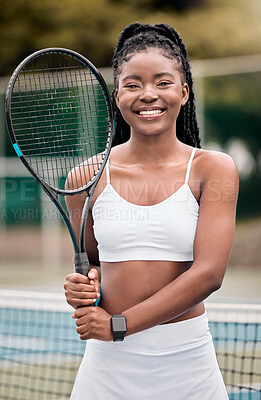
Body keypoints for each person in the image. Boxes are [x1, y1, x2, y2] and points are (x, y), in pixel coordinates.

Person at [64, 22, 239, 400]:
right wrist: (82, 286)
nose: (148, 95)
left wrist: (121, 325)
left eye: (162, 82)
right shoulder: (84, 177)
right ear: (116, 95)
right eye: (132, 84)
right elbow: (93, 261)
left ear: (184, 92)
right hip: (106, 367)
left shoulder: (214, 169)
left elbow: (209, 274)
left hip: (187, 362)